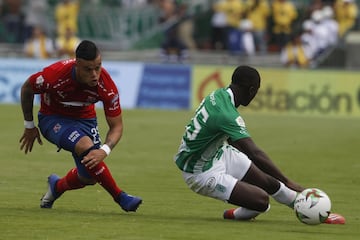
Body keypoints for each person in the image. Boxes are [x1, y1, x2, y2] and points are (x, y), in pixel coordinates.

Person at [173, 65, 345, 224]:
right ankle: (235, 214)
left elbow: (230, 139)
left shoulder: (219, 95)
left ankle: (315, 211)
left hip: (218, 153)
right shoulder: (227, 115)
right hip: (199, 172)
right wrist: (287, 180)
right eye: (256, 92)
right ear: (251, 89)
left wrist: (267, 175)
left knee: (269, 182)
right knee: (262, 201)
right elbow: (254, 152)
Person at [19, 40, 142, 212]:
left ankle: (57, 186)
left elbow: (117, 127)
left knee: (89, 177)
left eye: (98, 67)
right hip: (53, 119)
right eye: (88, 69)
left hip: (86, 121)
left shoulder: (106, 86)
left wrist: (104, 150)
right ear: (77, 65)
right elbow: (27, 88)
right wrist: (29, 125)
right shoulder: (55, 75)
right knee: (86, 146)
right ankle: (120, 197)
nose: (95, 74)